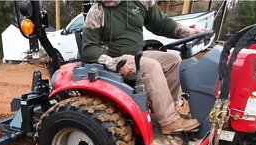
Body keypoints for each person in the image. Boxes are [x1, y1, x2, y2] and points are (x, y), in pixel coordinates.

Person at [82, 0, 205, 134]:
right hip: (115, 58)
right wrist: (113, 64)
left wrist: (191, 33)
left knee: (174, 60)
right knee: (151, 66)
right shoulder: (97, 12)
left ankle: (167, 110)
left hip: (138, 54)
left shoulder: (141, 2)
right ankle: (169, 121)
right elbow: (89, 49)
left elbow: (162, 24)